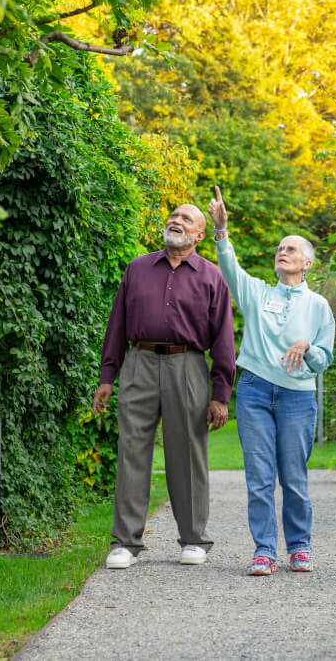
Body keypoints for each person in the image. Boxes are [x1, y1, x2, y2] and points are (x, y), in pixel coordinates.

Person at [93, 204, 236, 569]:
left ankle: (194, 539)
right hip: (138, 363)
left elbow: (223, 338)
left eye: (187, 218)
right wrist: (107, 376)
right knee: (131, 452)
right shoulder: (138, 268)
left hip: (187, 365)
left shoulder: (211, 277)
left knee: (187, 453)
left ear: (200, 235)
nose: (176, 221)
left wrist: (221, 394)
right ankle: (125, 542)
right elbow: (117, 325)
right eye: (174, 215)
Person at [208, 186, 335, 576]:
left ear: (308, 263)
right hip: (254, 393)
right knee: (260, 478)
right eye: (281, 248)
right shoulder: (257, 293)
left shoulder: (318, 306)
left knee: (294, 478)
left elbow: (324, 360)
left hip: (297, 398)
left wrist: (309, 346)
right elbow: (230, 268)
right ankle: (264, 549)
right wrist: (221, 231)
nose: (284, 251)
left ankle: (299, 547)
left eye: (292, 249)